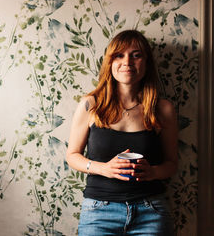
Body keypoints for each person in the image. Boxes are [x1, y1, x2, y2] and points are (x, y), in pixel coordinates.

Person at [66, 30, 178, 236]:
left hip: (150, 212)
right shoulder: (90, 105)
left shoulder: (162, 109)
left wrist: (152, 172)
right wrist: (104, 169)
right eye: (119, 55)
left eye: (136, 55)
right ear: (110, 62)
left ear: (146, 63)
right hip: (98, 212)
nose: (127, 61)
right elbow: (72, 156)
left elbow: (172, 164)